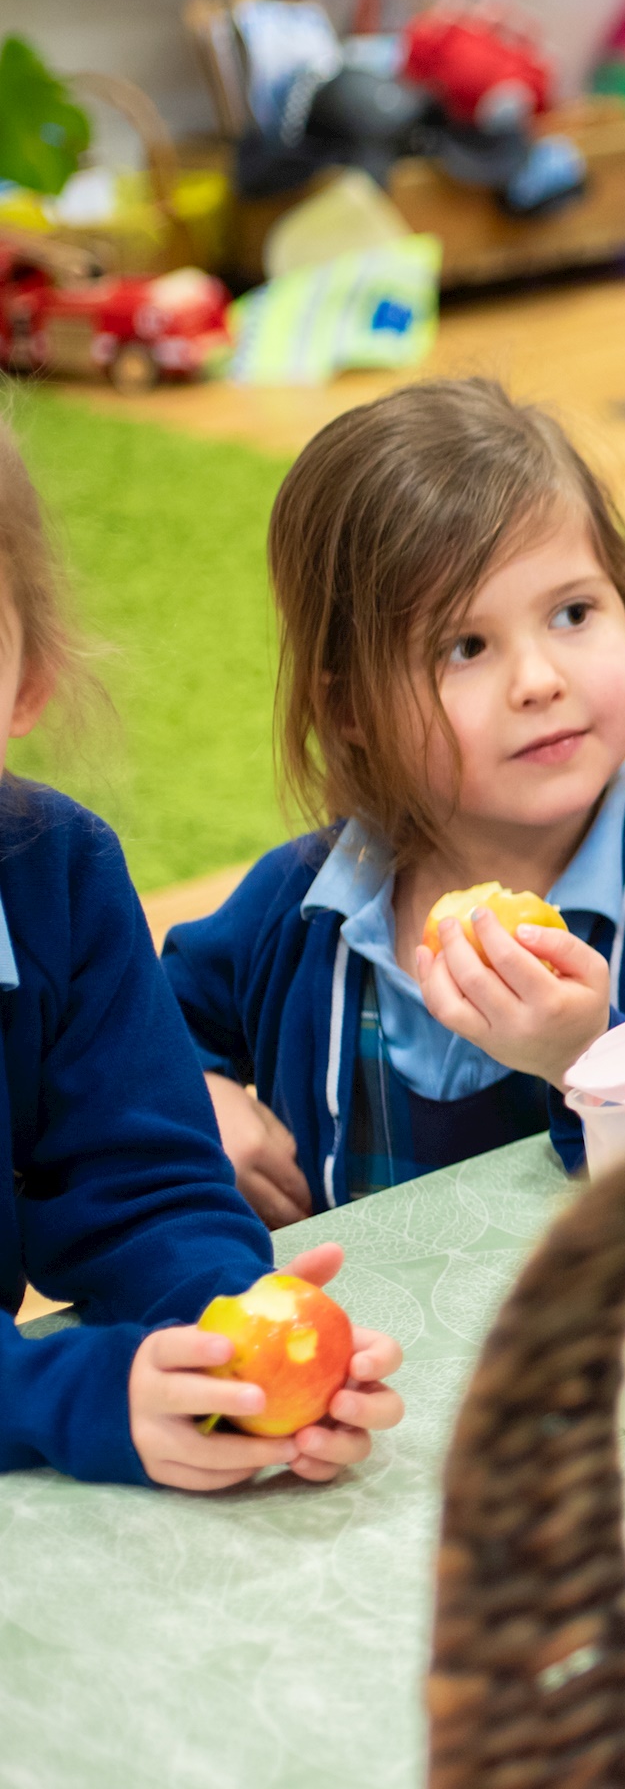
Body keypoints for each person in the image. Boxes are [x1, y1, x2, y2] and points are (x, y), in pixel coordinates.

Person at [165, 381, 625, 1218]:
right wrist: (200, 1096)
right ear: (349, 711)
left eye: (572, 612)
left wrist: (586, 1060)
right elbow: (134, 1031)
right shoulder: (300, 909)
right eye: (465, 646)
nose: (539, 680)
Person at [0, 421, 405, 1490]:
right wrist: (74, 1395)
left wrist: (231, 1329)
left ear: (28, 680)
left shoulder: (55, 873)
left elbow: (135, 1188)